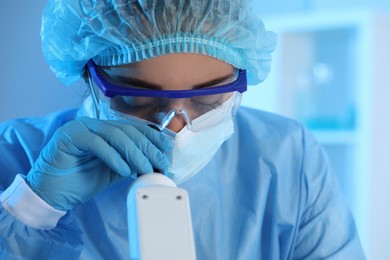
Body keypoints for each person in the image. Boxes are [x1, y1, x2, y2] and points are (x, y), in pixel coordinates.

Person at [0, 0, 365, 259]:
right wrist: (31, 210)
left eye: (207, 101)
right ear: (89, 76)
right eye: (137, 99)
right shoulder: (15, 153)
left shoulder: (288, 156)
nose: (175, 129)